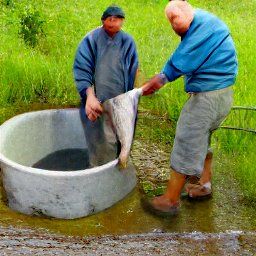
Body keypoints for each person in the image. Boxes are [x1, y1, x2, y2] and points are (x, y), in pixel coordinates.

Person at [142, 0, 238, 214]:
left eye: (180, 29)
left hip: (208, 96)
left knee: (187, 138)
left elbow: (179, 61)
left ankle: (170, 200)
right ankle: (203, 185)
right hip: (223, 94)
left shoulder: (201, 28)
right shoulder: (206, 21)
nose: (179, 33)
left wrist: (158, 80)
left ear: (188, 15)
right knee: (202, 137)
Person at [73, 5, 138, 166]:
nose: (113, 22)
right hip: (97, 100)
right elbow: (82, 70)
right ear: (103, 20)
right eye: (109, 19)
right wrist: (90, 96)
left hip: (120, 100)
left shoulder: (127, 42)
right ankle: (97, 170)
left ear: (122, 22)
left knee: (121, 137)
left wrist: (130, 100)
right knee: (98, 139)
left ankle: (118, 166)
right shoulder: (91, 40)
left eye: (117, 20)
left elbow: (133, 71)